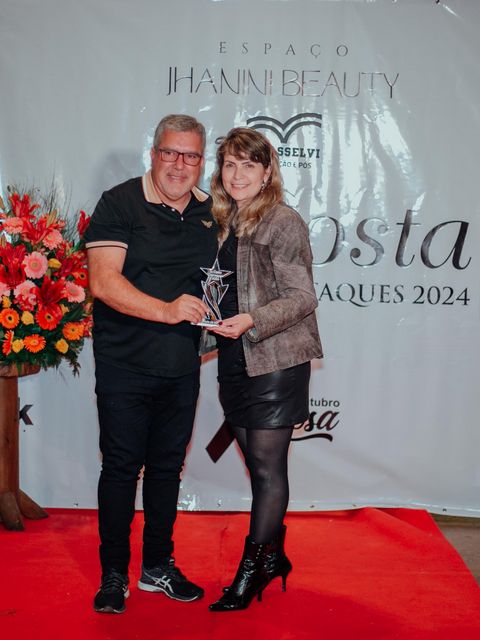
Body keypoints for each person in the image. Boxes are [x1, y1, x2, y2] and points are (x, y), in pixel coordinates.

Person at [84, 114, 218, 613]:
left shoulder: (211, 211)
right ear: (154, 153)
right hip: (124, 362)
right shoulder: (119, 202)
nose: (179, 165)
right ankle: (114, 573)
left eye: (191, 156)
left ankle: (157, 565)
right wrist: (166, 310)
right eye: (170, 153)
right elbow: (103, 281)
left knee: (167, 469)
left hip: (182, 366)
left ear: (202, 161)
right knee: (121, 468)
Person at [207, 128, 323, 612]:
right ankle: (273, 555)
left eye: (248, 165)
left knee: (269, 468)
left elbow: (302, 297)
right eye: (230, 164)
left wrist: (253, 319)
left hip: (276, 360)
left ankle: (252, 568)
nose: (238, 175)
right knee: (258, 467)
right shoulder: (221, 221)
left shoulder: (282, 221)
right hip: (233, 357)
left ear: (267, 171)